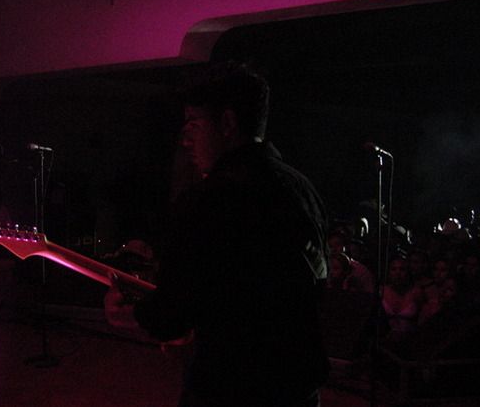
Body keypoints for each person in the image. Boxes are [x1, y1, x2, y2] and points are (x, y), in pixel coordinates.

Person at [105, 62, 329, 407]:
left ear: (226, 123)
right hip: (298, 386)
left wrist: (133, 314)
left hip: (231, 389)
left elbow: (172, 316)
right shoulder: (302, 189)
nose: (186, 139)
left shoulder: (209, 199)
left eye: (194, 124)